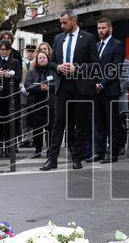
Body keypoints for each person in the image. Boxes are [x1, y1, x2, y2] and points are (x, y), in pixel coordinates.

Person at [40, 10, 99, 171]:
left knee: (80, 123)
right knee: (58, 122)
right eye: (61, 22)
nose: (62, 25)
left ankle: (77, 158)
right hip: (63, 85)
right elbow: (51, 62)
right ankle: (52, 159)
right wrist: (58, 67)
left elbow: (95, 65)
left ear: (74, 21)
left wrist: (76, 68)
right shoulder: (58, 38)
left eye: (65, 22)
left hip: (81, 87)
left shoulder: (88, 38)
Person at [91, 18, 125, 164]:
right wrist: (92, 84)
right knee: (99, 123)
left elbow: (115, 69)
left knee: (113, 123)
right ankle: (99, 152)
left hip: (109, 90)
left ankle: (113, 154)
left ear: (110, 29)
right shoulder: (96, 46)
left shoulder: (117, 45)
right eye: (99, 28)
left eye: (103, 28)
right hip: (95, 90)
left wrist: (102, 84)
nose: (100, 31)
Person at [0, 39, 23, 158]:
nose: (4, 51)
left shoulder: (15, 62)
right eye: (2, 49)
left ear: (10, 50)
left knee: (10, 122)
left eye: (6, 49)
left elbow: (19, 78)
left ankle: (9, 147)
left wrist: (9, 76)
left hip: (11, 96)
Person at [23, 49, 56, 158]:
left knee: (50, 129)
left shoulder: (53, 71)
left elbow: (57, 84)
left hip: (50, 105)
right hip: (36, 104)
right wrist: (39, 87)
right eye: (40, 58)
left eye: (44, 57)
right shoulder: (32, 72)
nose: (42, 59)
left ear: (48, 59)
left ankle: (50, 150)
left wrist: (48, 87)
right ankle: (37, 150)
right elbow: (27, 85)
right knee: (37, 129)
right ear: (37, 60)